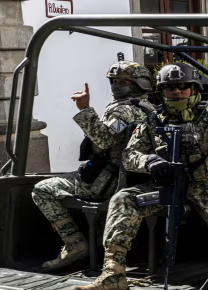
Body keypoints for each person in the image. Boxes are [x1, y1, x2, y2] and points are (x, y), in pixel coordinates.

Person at [67, 63, 208, 290]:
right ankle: (113, 276)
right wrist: (148, 161)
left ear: (193, 88)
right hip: (167, 184)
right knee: (124, 199)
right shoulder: (153, 119)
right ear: (161, 90)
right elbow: (129, 155)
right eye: (170, 87)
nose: (176, 91)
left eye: (182, 86)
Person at [32, 61, 155, 271]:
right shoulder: (149, 108)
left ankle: (74, 243)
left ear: (139, 84)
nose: (116, 86)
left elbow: (103, 140)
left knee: (41, 190)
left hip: (106, 181)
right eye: (114, 81)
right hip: (128, 180)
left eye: (123, 82)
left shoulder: (124, 111)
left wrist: (84, 109)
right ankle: (99, 244)